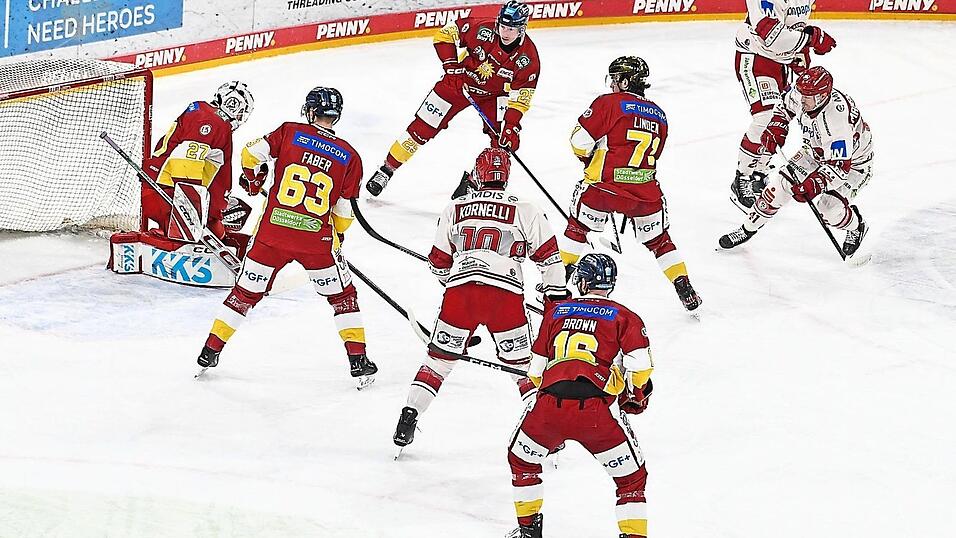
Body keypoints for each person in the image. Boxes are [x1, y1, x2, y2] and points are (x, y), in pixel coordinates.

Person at [196, 87, 378, 388]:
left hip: (271, 235)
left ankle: (209, 351)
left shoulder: (290, 132)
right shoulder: (350, 156)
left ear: (310, 111)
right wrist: (337, 236)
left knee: (244, 294)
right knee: (343, 298)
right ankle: (358, 361)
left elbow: (250, 154)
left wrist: (255, 179)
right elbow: (344, 214)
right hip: (316, 243)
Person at [392, 147, 567, 449]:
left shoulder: (455, 206)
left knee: (438, 363)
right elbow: (550, 259)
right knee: (523, 368)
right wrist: (554, 302)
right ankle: (546, 430)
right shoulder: (526, 208)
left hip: (460, 294)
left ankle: (409, 415)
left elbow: (438, 263)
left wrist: (456, 283)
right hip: (506, 296)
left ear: (477, 174)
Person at [506, 253, 653, 538]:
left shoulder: (556, 312)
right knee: (631, 481)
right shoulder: (625, 316)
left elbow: (535, 373)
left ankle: (528, 531)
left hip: (548, 407)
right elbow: (641, 367)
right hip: (597, 413)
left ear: (582, 282)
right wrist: (634, 394)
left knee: (522, 461)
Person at [560, 56, 702, 312]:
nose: (611, 84)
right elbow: (653, 155)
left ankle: (557, 287)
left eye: (615, 79)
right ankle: (683, 286)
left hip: (603, 189)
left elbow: (579, 142)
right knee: (661, 241)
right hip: (644, 193)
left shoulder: (609, 103)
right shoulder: (659, 114)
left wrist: (590, 159)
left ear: (625, 81)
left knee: (577, 229)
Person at [366, 1, 539, 197]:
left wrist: (511, 125)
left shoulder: (528, 59)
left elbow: (521, 98)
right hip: (458, 83)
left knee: (505, 141)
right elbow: (444, 35)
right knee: (422, 127)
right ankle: (386, 170)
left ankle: (474, 181)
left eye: (511, 29)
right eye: (503, 26)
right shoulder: (481, 28)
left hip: (494, 95)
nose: (505, 33)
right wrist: (451, 67)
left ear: (522, 29)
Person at [719, 66, 872, 258]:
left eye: (807, 96)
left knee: (829, 210)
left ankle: (857, 226)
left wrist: (813, 184)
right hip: (814, 153)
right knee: (779, 187)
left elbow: (839, 168)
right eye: (802, 94)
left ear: (821, 97)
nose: (801, 99)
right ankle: (746, 229)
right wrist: (777, 126)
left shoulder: (837, 121)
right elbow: (783, 107)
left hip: (854, 165)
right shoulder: (804, 93)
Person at [731, 0, 837, 211]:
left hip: (783, 62)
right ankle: (742, 177)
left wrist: (801, 53)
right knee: (766, 118)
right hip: (756, 58)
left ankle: (759, 172)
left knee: (782, 116)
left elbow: (793, 24)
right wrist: (812, 38)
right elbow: (770, 34)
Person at [142, 81, 255, 256]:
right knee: (218, 231)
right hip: (167, 197)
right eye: (241, 112)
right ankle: (170, 237)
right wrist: (191, 211)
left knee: (237, 211)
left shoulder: (204, 112)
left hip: (164, 191)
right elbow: (184, 162)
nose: (240, 118)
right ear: (233, 106)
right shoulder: (214, 122)